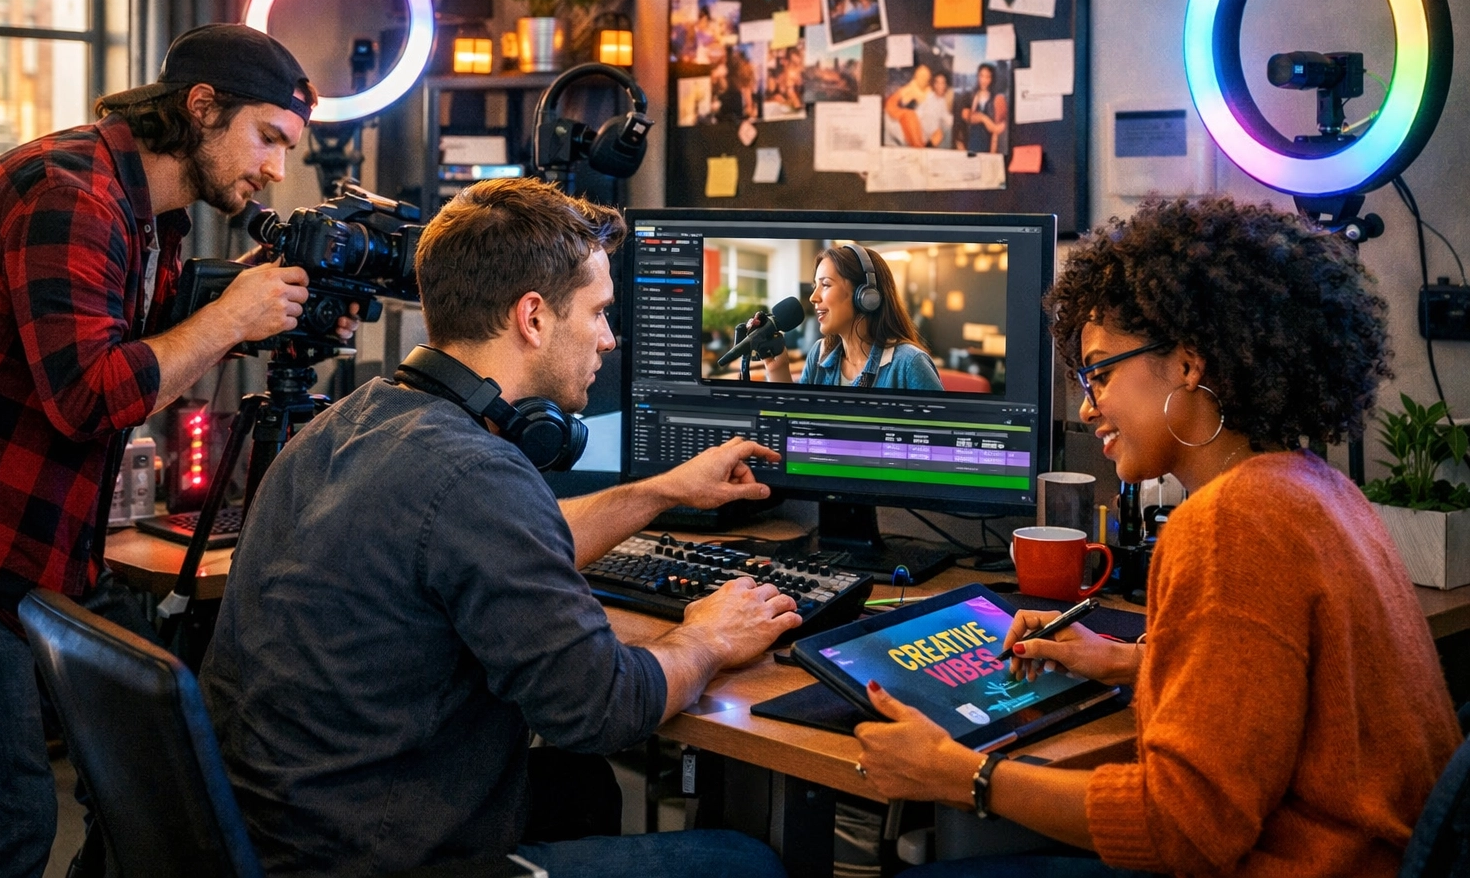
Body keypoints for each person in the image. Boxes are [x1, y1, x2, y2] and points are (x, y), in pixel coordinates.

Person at [200, 177, 799, 878]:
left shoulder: (356, 419)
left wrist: (661, 492)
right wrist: (707, 637)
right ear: (534, 317)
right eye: (600, 312)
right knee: (743, 863)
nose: (610, 338)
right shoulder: (475, 474)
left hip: (272, 832)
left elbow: (486, 548)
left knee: (580, 791)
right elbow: (603, 707)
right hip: (377, 858)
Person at [852, 198, 1460, 877]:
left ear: (1189, 364)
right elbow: (1279, 698)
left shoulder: (1228, 522)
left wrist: (960, 774)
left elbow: (1183, 829)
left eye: (1101, 372)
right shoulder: (1317, 490)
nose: (1086, 406)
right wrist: (1123, 662)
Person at [0, 22, 345, 878]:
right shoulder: (67, 193)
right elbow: (91, 395)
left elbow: (144, 358)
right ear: (201, 108)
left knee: (147, 784)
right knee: (1, 823)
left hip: (43, 548)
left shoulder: (152, 217)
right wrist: (231, 316)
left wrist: (254, 324)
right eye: (268, 138)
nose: (276, 169)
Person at [762, 244, 942, 391]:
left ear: (865, 295)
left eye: (825, 284)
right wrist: (778, 370)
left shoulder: (909, 364)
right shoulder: (819, 353)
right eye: (814, 285)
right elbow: (797, 424)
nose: (813, 297)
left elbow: (942, 432)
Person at [960, 62, 1007, 154]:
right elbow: (967, 117)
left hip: (988, 144)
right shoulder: (969, 96)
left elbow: (998, 128)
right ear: (977, 77)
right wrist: (983, 118)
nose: (984, 80)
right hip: (971, 142)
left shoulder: (997, 98)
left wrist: (993, 151)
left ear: (992, 78)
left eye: (987, 77)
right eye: (981, 76)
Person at [886, 64, 935, 148]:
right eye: (920, 76)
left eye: (925, 76)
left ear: (929, 78)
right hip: (908, 120)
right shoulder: (909, 88)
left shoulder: (931, 92)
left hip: (926, 123)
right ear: (916, 76)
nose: (923, 78)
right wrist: (901, 113)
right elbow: (891, 104)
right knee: (909, 116)